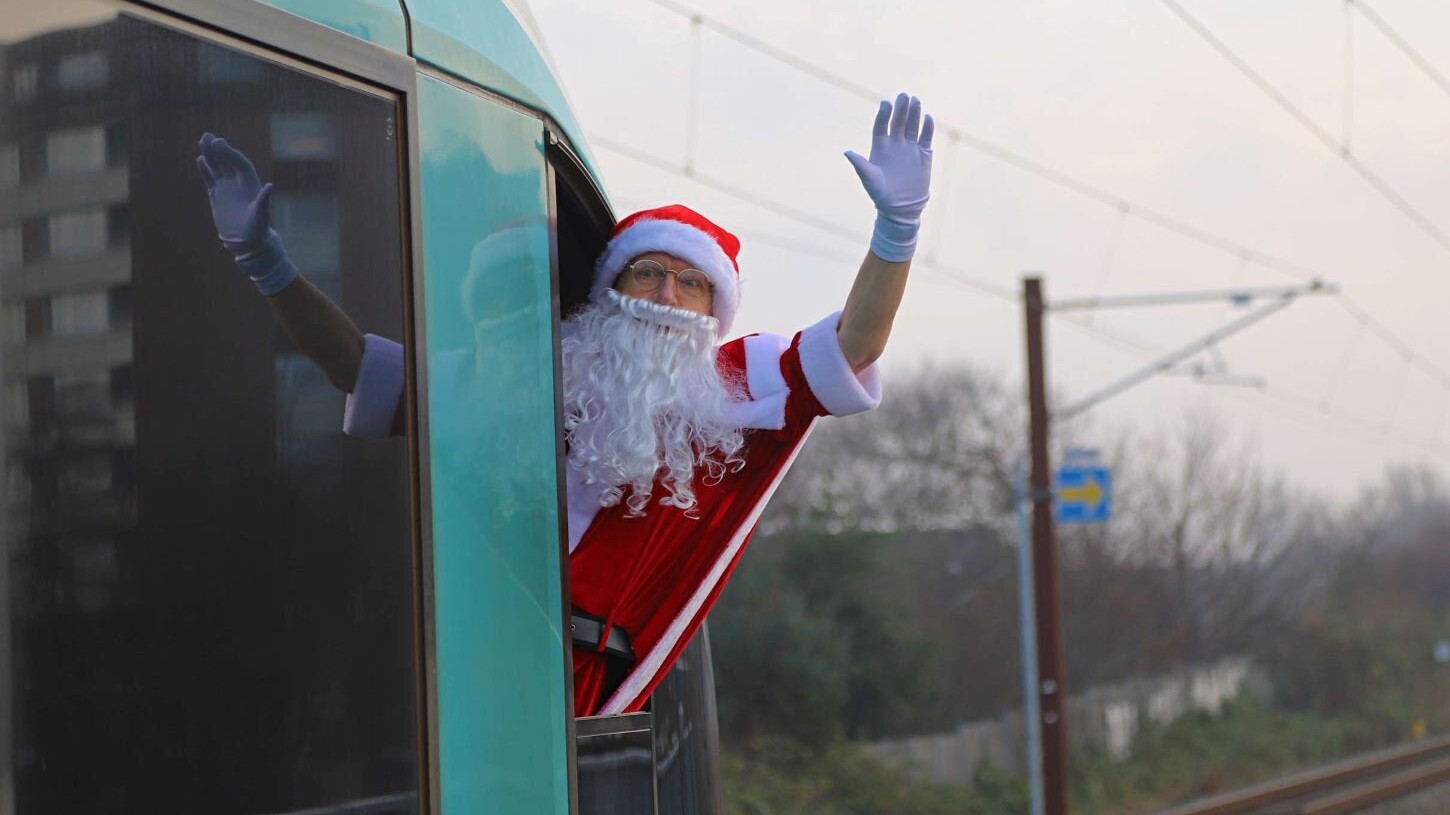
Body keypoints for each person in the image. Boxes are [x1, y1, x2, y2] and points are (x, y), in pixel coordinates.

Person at [196, 92, 934, 717]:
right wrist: (267, 263)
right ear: (612, 291)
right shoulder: (524, 376)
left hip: (583, 695)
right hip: (458, 672)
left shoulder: (738, 383)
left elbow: (854, 346)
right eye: (648, 274)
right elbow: (359, 366)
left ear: (717, 309)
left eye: (692, 282)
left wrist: (895, 231)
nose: (668, 297)